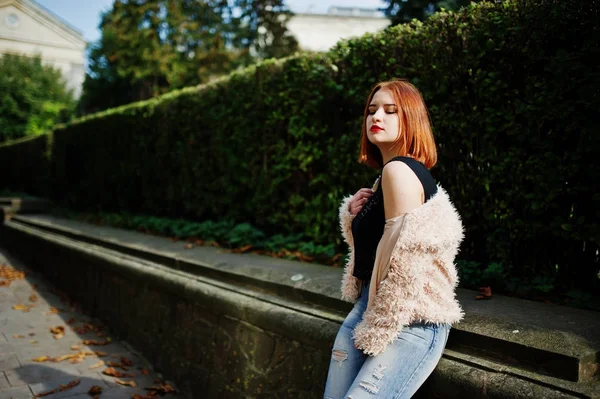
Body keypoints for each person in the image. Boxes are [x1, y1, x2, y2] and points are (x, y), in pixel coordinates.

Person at [323, 79, 464, 399]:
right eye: (372, 111)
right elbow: (377, 252)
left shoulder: (399, 171)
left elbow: (406, 262)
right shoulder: (384, 178)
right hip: (368, 309)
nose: (377, 117)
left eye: (390, 111)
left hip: (407, 319)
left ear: (411, 119)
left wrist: (379, 328)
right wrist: (354, 215)